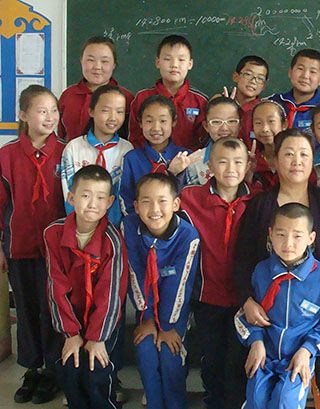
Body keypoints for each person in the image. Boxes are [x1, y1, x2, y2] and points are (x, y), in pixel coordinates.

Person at [234, 129, 320, 409]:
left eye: (304, 154)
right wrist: (247, 300)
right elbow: (242, 259)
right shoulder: (260, 205)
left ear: (313, 159)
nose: (296, 161)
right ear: (274, 160)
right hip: (270, 316)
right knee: (245, 369)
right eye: (288, 154)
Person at [235, 203, 320, 408]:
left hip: (298, 357)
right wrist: (255, 342)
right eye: (281, 235)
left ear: (311, 238)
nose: (288, 244)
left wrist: (307, 350)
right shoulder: (261, 272)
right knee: (256, 399)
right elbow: (244, 315)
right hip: (264, 354)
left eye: (297, 236)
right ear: (270, 234)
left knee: (285, 400)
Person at [44, 165, 128, 409]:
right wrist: (70, 334)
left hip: (104, 320)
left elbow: (111, 294)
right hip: (69, 317)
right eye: (85, 195)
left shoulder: (113, 240)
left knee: (96, 369)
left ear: (110, 202)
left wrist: (97, 337)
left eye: (100, 198)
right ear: (71, 197)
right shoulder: (53, 233)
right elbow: (56, 286)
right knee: (69, 367)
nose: (92, 204)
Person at [180, 137, 255, 408]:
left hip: (244, 299)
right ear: (209, 166)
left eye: (238, 162)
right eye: (222, 162)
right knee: (211, 360)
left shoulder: (257, 199)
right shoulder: (190, 198)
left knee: (238, 361)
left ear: (247, 166)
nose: (231, 169)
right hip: (206, 297)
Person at [2, 85, 65, 404]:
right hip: (20, 247)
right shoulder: (7, 155)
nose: (50, 117)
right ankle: (32, 368)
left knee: (52, 308)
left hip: (57, 250)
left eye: (54, 111)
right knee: (26, 308)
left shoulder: (67, 151)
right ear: (24, 115)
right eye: (42, 111)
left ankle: (53, 369)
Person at [124, 173, 200, 409]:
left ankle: (176, 403)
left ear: (176, 204)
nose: (154, 209)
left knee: (170, 352)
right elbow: (135, 275)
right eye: (146, 201)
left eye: (162, 201)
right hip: (145, 306)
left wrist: (167, 326)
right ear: (136, 206)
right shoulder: (128, 228)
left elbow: (180, 286)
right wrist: (148, 319)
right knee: (145, 348)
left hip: (176, 311)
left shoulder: (187, 236)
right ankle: (154, 402)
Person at [61, 84, 133, 226]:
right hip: (81, 227)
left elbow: (127, 193)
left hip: (116, 228)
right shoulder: (73, 148)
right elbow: (68, 193)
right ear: (91, 111)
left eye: (119, 112)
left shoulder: (127, 150)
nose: (113, 117)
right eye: (105, 110)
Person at [128, 34, 207, 150]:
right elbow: (134, 138)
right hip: (147, 160)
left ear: (190, 64)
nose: (174, 65)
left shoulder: (200, 101)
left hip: (189, 159)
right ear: (157, 62)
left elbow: (205, 141)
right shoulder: (142, 98)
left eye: (181, 60)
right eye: (167, 59)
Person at [120, 95, 190, 216]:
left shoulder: (186, 157)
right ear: (140, 123)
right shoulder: (131, 158)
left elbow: (192, 200)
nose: (156, 128)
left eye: (163, 121)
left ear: (173, 122)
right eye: (149, 121)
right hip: (140, 222)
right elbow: (126, 198)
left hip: (179, 224)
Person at [58, 36, 134, 141]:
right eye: (90, 60)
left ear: (114, 65)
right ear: (81, 61)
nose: (97, 67)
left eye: (104, 61)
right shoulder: (68, 95)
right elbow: (61, 135)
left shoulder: (126, 98)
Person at [269, 49, 320, 134]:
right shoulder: (273, 103)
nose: (305, 75)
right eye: (300, 69)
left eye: (313, 72)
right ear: (290, 72)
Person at [229, 55, 269, 147]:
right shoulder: (219, 104)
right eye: (248, 74)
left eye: (260, 78)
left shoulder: (264, 111)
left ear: (263, 86)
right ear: (236, 76)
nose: (253, 81)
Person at [250, 100, 288, 190]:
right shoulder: (252, 160)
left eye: (271, 121)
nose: (265, 129)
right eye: (258, 123)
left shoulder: (294, 158)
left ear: (284, 124)